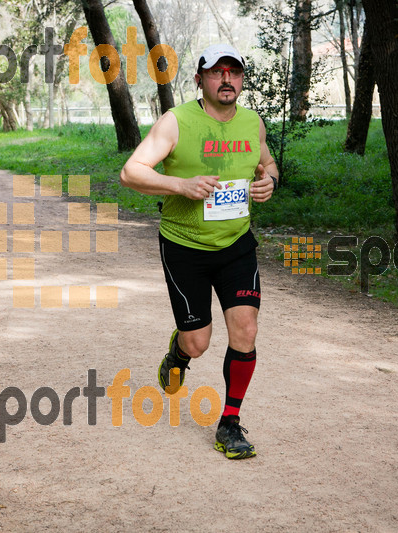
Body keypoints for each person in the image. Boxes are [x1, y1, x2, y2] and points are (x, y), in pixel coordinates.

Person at [120, 44, 279, 460]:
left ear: (242, 80)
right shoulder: (176, 122)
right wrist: (181, 185)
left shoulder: (252, 123)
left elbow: (268, 164)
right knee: (198, 343)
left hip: (236, 244)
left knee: (245, 331)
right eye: (216, 72)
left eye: (234, 72)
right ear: (199, 79)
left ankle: (229, 423)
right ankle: (178, 353)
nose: (226, 79)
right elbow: (131, 171)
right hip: (184, 245)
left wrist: (270, 181)